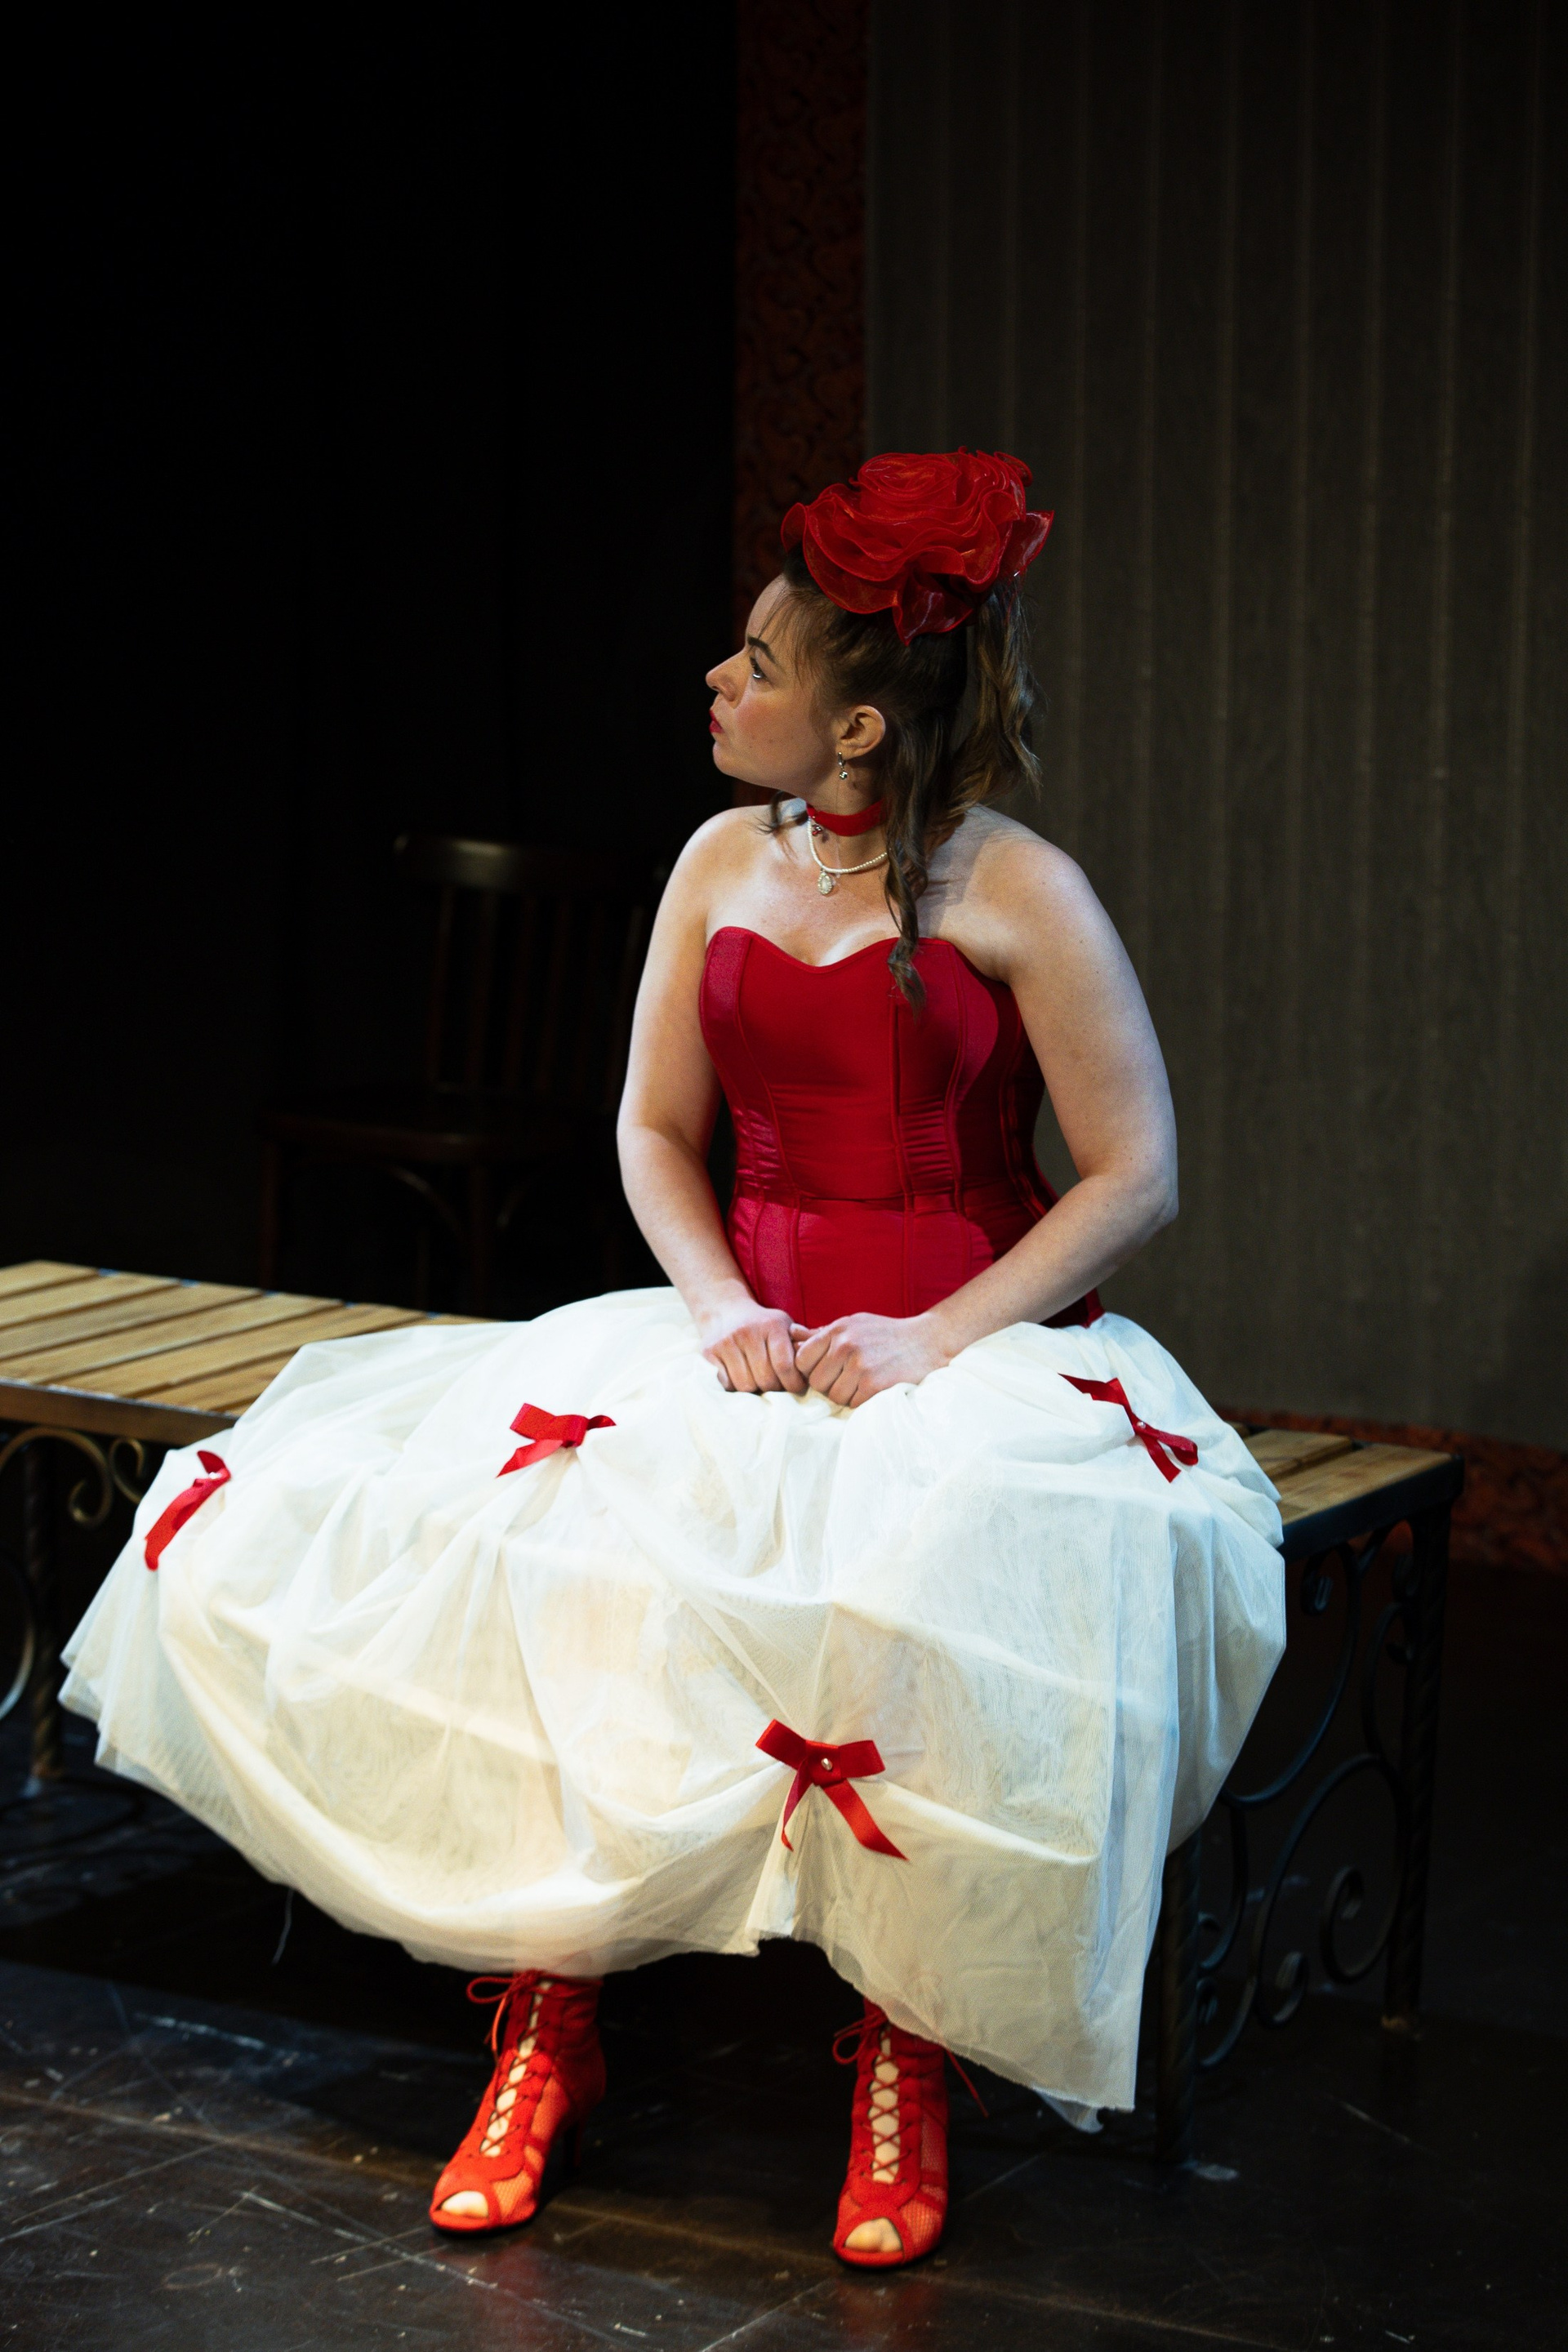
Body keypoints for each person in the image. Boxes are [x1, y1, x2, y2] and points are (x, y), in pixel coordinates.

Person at [61, 451, 1285, 2269]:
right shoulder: (720, 859)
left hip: (954, 1351)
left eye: (757, 664)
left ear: (858, 725)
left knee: (925, 1588)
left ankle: (907, 2051)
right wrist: (718, 1309)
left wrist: (932, 1341)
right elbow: (652, 1128)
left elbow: (1136, 1173)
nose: (717, 682)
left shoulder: (1019, 889)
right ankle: (548, 2023)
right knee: (551, 1558)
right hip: (743, 1332)